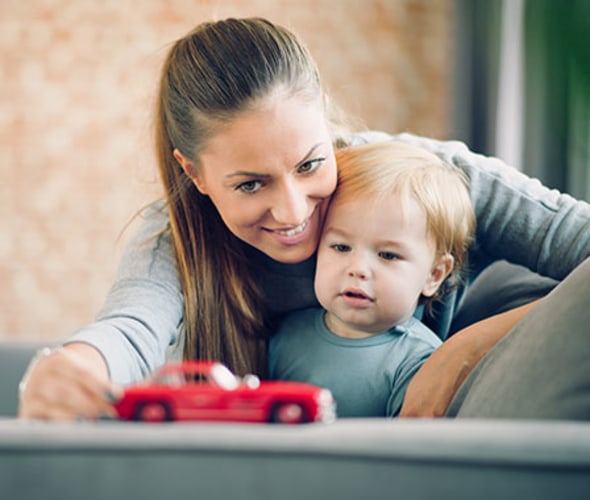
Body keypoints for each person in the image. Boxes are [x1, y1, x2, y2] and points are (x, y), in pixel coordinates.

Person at [17, 17, 590, 421]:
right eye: (250, 184)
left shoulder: (429, 181)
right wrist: (69, 367)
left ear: (326, 121)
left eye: (311, 163)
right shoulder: (175, 238)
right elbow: (129, 328)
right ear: (194, 174)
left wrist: (467, 347)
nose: (293, 212)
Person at [269, 141, 475, 417]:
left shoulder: (420, 361)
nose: (358, 269)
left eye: (388, 255)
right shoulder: (285, 335)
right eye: (341, 247)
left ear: (434, 275)